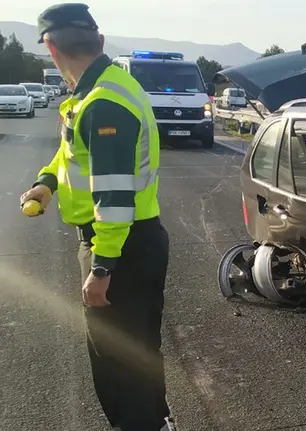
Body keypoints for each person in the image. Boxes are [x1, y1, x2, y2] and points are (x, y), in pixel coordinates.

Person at [19, 3, 174, 430]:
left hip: (120, 244)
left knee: (117, 363)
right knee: (136, 350)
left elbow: (116, 195)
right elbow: (71, 152)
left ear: (51, 48)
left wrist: (102, 267)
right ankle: (155, 422)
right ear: (99, 42)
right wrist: (47, 182)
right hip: (131, 240)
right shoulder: (99, 90)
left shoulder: (103, 103)